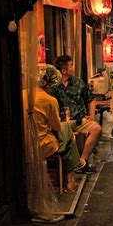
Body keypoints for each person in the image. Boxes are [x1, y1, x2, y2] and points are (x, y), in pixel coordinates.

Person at [50, 55, 101, 174]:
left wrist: (92, 116)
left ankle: (81, 161)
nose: (73, 68)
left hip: (79, 120)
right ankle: (67, 171)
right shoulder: (54, 86)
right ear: (64, 70)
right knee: (64, 138)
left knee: (96, 128)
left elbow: (91, 99)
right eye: (71, 65)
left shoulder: (78, 82)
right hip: (60, 123)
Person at [35, 65, 79, 193]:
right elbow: (56, 126)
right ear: (51, 83)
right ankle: (70, 181)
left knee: (67, 136)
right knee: (68, 133)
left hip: (24, 144)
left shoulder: (23, 95)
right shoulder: (50, 100)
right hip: (44, 145)